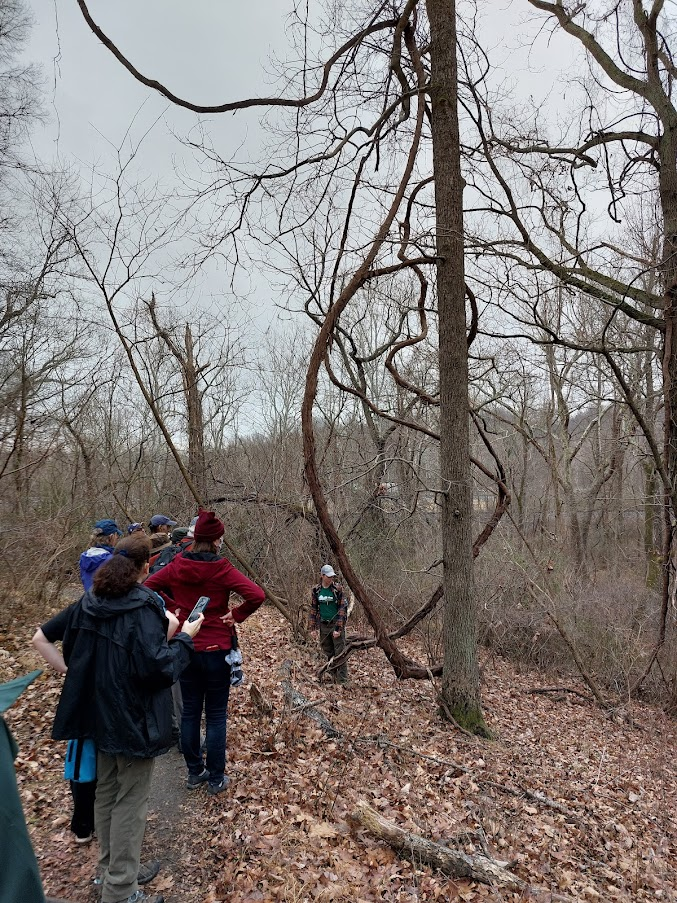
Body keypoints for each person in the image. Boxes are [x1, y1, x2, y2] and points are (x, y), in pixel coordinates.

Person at [35, 534, 203, 903]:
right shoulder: (141, 606)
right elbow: (158, 669)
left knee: (107, 794)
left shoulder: (90, 601)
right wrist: (186, 638)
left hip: (96, 716)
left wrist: (71, 671)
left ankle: (110, 874)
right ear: (146, 567)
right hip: (132, 719)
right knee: (129, 801)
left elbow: (39, 638)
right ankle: (122, 890)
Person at [145, 508, 265, 795]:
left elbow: (148, 587)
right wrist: (237, 614)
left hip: (186, 648)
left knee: (189, 714)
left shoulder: (176, 564)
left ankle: (194, 772)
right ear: (214, 540)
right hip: (217, 649)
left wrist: (173, 608)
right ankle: (215, 779)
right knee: (214, 715)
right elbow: (257, 595)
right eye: (220, 538)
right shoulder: (222, 568)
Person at [310, 564, 348, 684]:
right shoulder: (316, 590)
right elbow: (313, 609)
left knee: (340, 653)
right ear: (322, 576)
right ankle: (333, 675)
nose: (331, 578)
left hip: (335, 625)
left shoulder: (338, 589)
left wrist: (339, 628)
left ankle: (342, 681)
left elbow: (342, 609)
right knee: (328, 652)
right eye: (328, 576)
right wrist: (313, 628)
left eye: (332, 576)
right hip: (323, 625)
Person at [79, 520, 121, 591]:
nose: (117, 539)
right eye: (117, 536)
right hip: (106, 601)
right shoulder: (112, 560)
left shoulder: (84, 557)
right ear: (111, 537)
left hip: (88, 600)